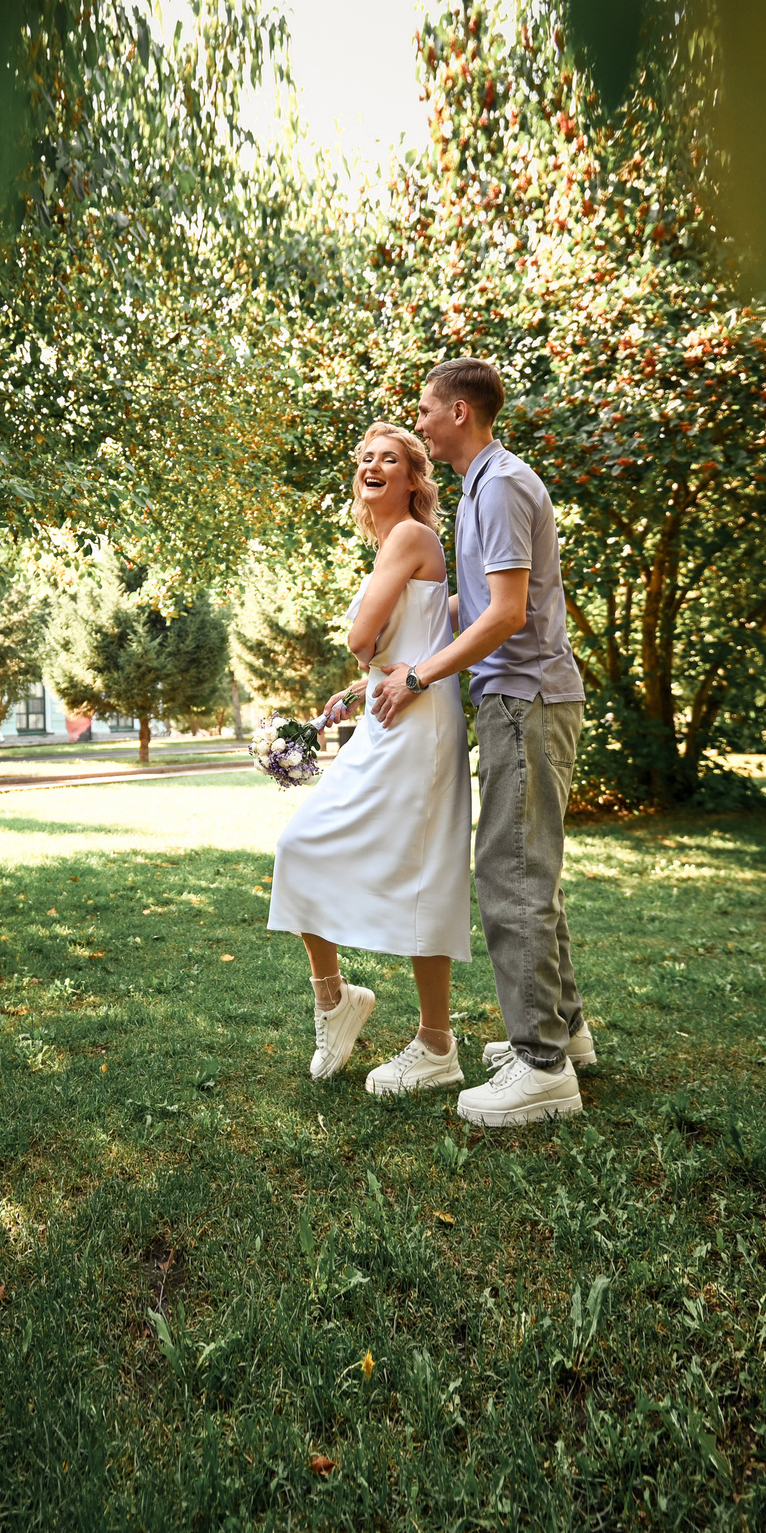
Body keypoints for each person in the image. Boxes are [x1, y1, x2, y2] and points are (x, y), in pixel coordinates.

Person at [372, 357, 593, 1127]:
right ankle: (567, 1032)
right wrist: (411, 648)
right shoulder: (485, 486)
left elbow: (505, 616)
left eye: (427, 410)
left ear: (459, 413)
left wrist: (420, 677)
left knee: (512, 874)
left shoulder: (496, 485)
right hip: (524, 698)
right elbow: (482, 597)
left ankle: (540, 1066)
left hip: (523, 700)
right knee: (532, 869)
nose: (421, 421)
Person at [265, 422, 476, 1095]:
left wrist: (371, 659)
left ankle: (437, 1044)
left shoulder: (411, 536)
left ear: (415, 480)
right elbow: (404, 641)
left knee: (423, 870)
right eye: (364, 459)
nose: (372, 465)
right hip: (391, 713)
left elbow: (363, 637)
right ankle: (335, 1001)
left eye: (390, 458)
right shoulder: (394, 546)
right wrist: (361, 686)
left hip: (421, 724)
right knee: (301, 845)